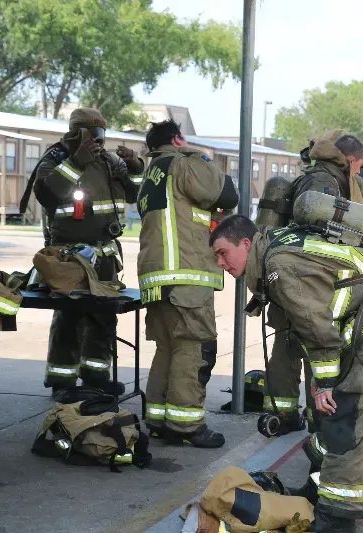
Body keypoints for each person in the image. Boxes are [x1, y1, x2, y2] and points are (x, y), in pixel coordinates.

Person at [209, 214, 363, 532]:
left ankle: (338, 519)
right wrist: (324, 379)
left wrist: (325, 382)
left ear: (246, 244)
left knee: (352, 418)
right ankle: (320, 490)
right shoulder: (275, 250)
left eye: (223, 252)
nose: (220, 262)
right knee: (334, 416)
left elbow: (316, 326)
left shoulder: (277, 264)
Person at [263, 133, 363, 436]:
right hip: (303, 280)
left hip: (292, 276)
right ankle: (307, 416)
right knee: (306, 347)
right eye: (359, 166)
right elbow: (320, 236)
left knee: (289, 346)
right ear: (351, 160)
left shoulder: (319, 176)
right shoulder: (325, 184)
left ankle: (285, 412)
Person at [138, 119, 239, 448]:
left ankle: (157, 419)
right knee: (192, 348)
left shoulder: (152, 173)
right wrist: (202, 155)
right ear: (177, 139)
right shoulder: (184, 164)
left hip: (156, 276)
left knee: (167, 347)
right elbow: (225, 194)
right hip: (185, 274)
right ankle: (185, 425)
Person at [32, 107, 142, 399]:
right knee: (69, 319)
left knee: (104, 318)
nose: (99, 139)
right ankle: (62, 381)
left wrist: (135, 167)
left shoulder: (108, 161)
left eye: (102, 133)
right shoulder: (56, 158)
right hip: (70, 258)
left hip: (104, 257)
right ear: (78, 131)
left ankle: (96, 376)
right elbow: (46, 194)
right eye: (93, 132)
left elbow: (134, 195)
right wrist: (78, 159)